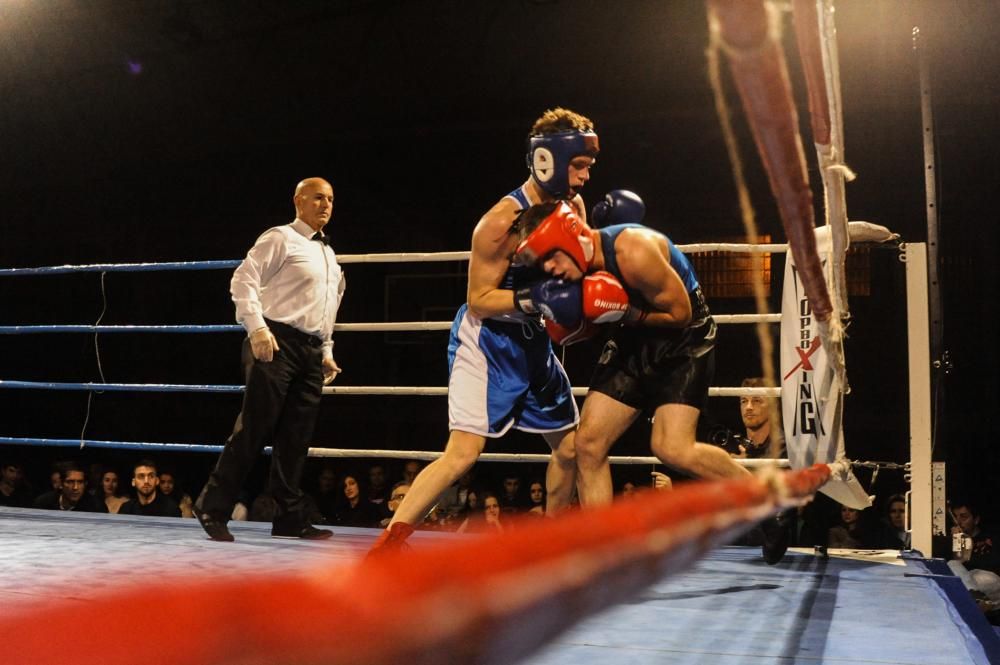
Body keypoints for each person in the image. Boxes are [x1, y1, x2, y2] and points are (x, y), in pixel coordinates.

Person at [368, 108, 599, 555]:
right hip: (488, 341)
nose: (587, 176)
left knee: (571, 448)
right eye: (580, 165)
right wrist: (536, 301)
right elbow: (479, 299)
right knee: (463, 454)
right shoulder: (499, 222)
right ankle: (390, 542)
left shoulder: (575, 208)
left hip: (535, 344)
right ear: (549, 159)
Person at [512, 194, 789, 564]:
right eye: (543, 263)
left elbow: (680, 313)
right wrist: (585, 321)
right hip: (635, 337)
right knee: (589, 444)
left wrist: (625, 313)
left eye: (553, 256)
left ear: (572, 238)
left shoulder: (634, 251)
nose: (553, 270)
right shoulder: (579, 266)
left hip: (684, 337)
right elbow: (605, 313)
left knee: (672, 448)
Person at [194, 177, 345, 542]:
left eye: (330, 199)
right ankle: (212, 507)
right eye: (317, 198)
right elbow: (243, 279)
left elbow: (326, 307)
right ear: (298, 201)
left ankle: (289, 517)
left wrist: (325, 351)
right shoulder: (280, 237)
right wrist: (257, 329)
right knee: (255, 428)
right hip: (275, 341)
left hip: (310, 350)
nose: (325, 205)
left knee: (296, 437)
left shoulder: (328, 253)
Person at [33, 463, 102, 512]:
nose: (75, 487)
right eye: (70, 482)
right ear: (61, 484)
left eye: (80, 482)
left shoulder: (96, 507)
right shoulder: (43, 503)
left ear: (85, 484)